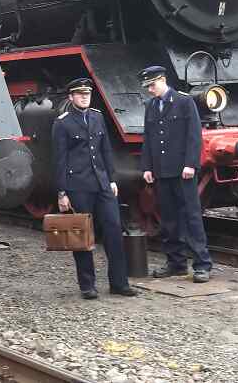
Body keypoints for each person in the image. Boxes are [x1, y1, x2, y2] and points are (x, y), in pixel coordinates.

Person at [52, 77, 138, 299]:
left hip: (102, 183)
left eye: (87, 94)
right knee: (81, 235)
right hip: (78, 186)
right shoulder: (62, 123)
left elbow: (105, 150)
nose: (84, 97)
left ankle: (119, 283)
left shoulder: (97, 117)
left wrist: (112, 179)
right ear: (71, 97)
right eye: (80, 94)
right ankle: (87, 285)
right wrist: (62, 192)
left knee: (114, 230)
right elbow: (60, 160)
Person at [139, 65, 213, 282]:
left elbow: (194, 135)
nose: (150, 90)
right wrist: (147, 167)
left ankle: (202, 264)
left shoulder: (184, 102)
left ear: (163, 80)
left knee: (191, 217)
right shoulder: (151, 106)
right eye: (147, 86)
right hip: (162, 171)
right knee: (168, 219)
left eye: (152, 85)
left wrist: (190, 164)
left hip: (183, 171)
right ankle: (175, 263)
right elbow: (149, 138)